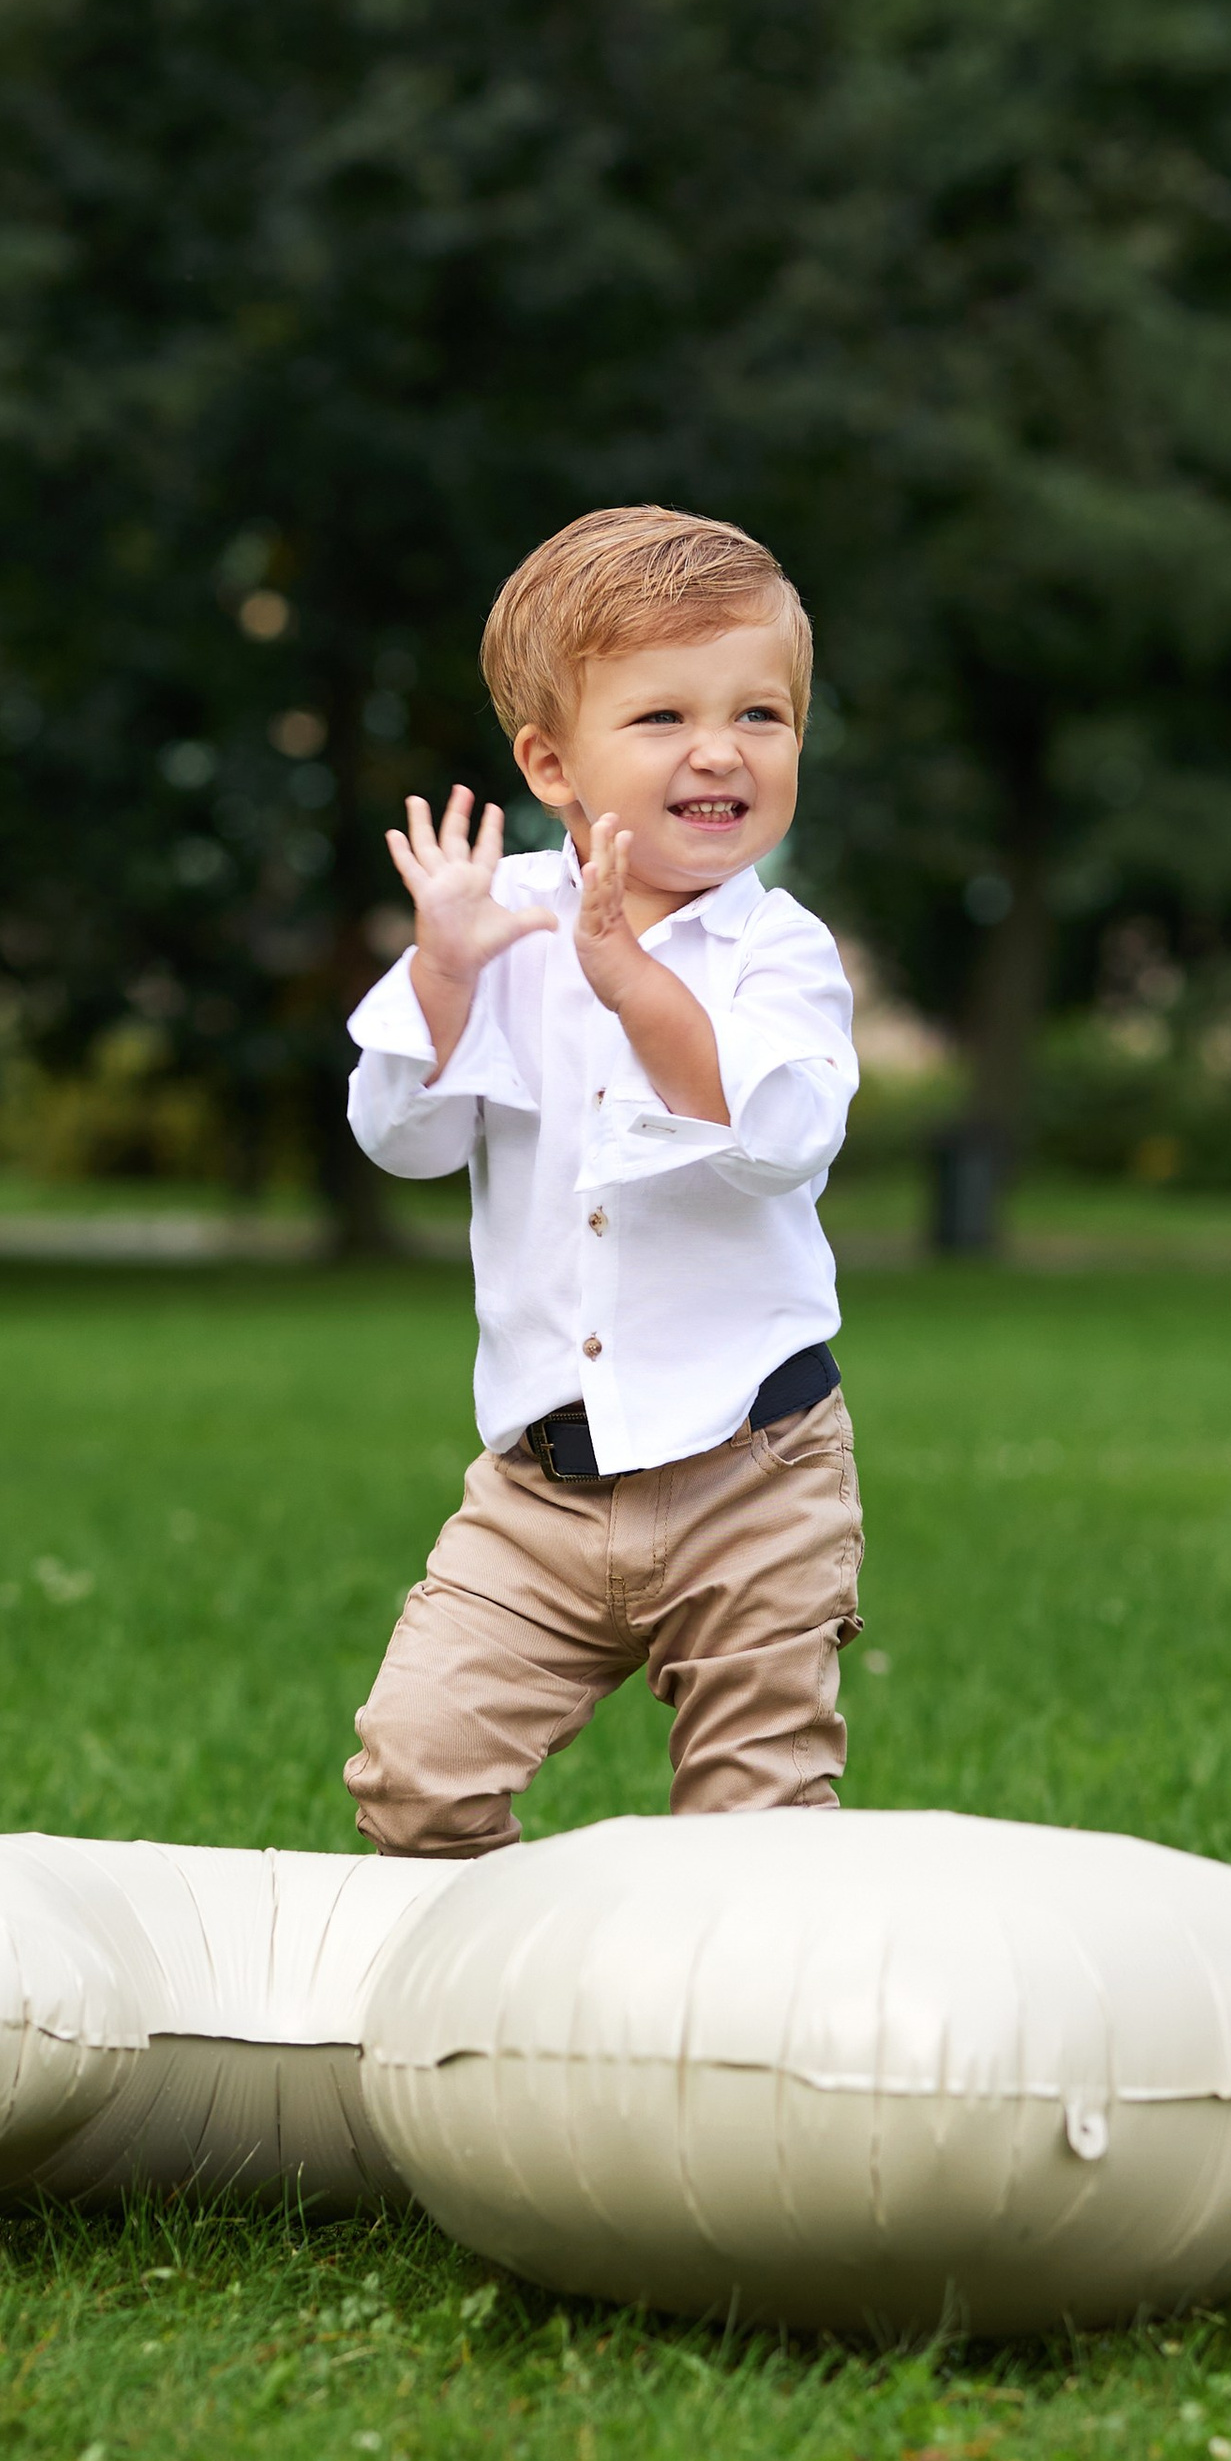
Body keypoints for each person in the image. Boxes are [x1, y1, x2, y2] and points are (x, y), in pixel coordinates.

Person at [340, 504, 864, 1856]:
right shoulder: (495, 924)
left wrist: (632, 984)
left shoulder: (778, 953)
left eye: (762, 714)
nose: (720, 750)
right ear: (550, 763)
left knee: (756, 1828)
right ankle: (514, 2014)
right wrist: (446, 975)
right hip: (541, 1490)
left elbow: (777, 1137)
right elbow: (403, 1139)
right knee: (415, 1777)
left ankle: (729, 2041)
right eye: (662, 718)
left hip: (755, 1468)